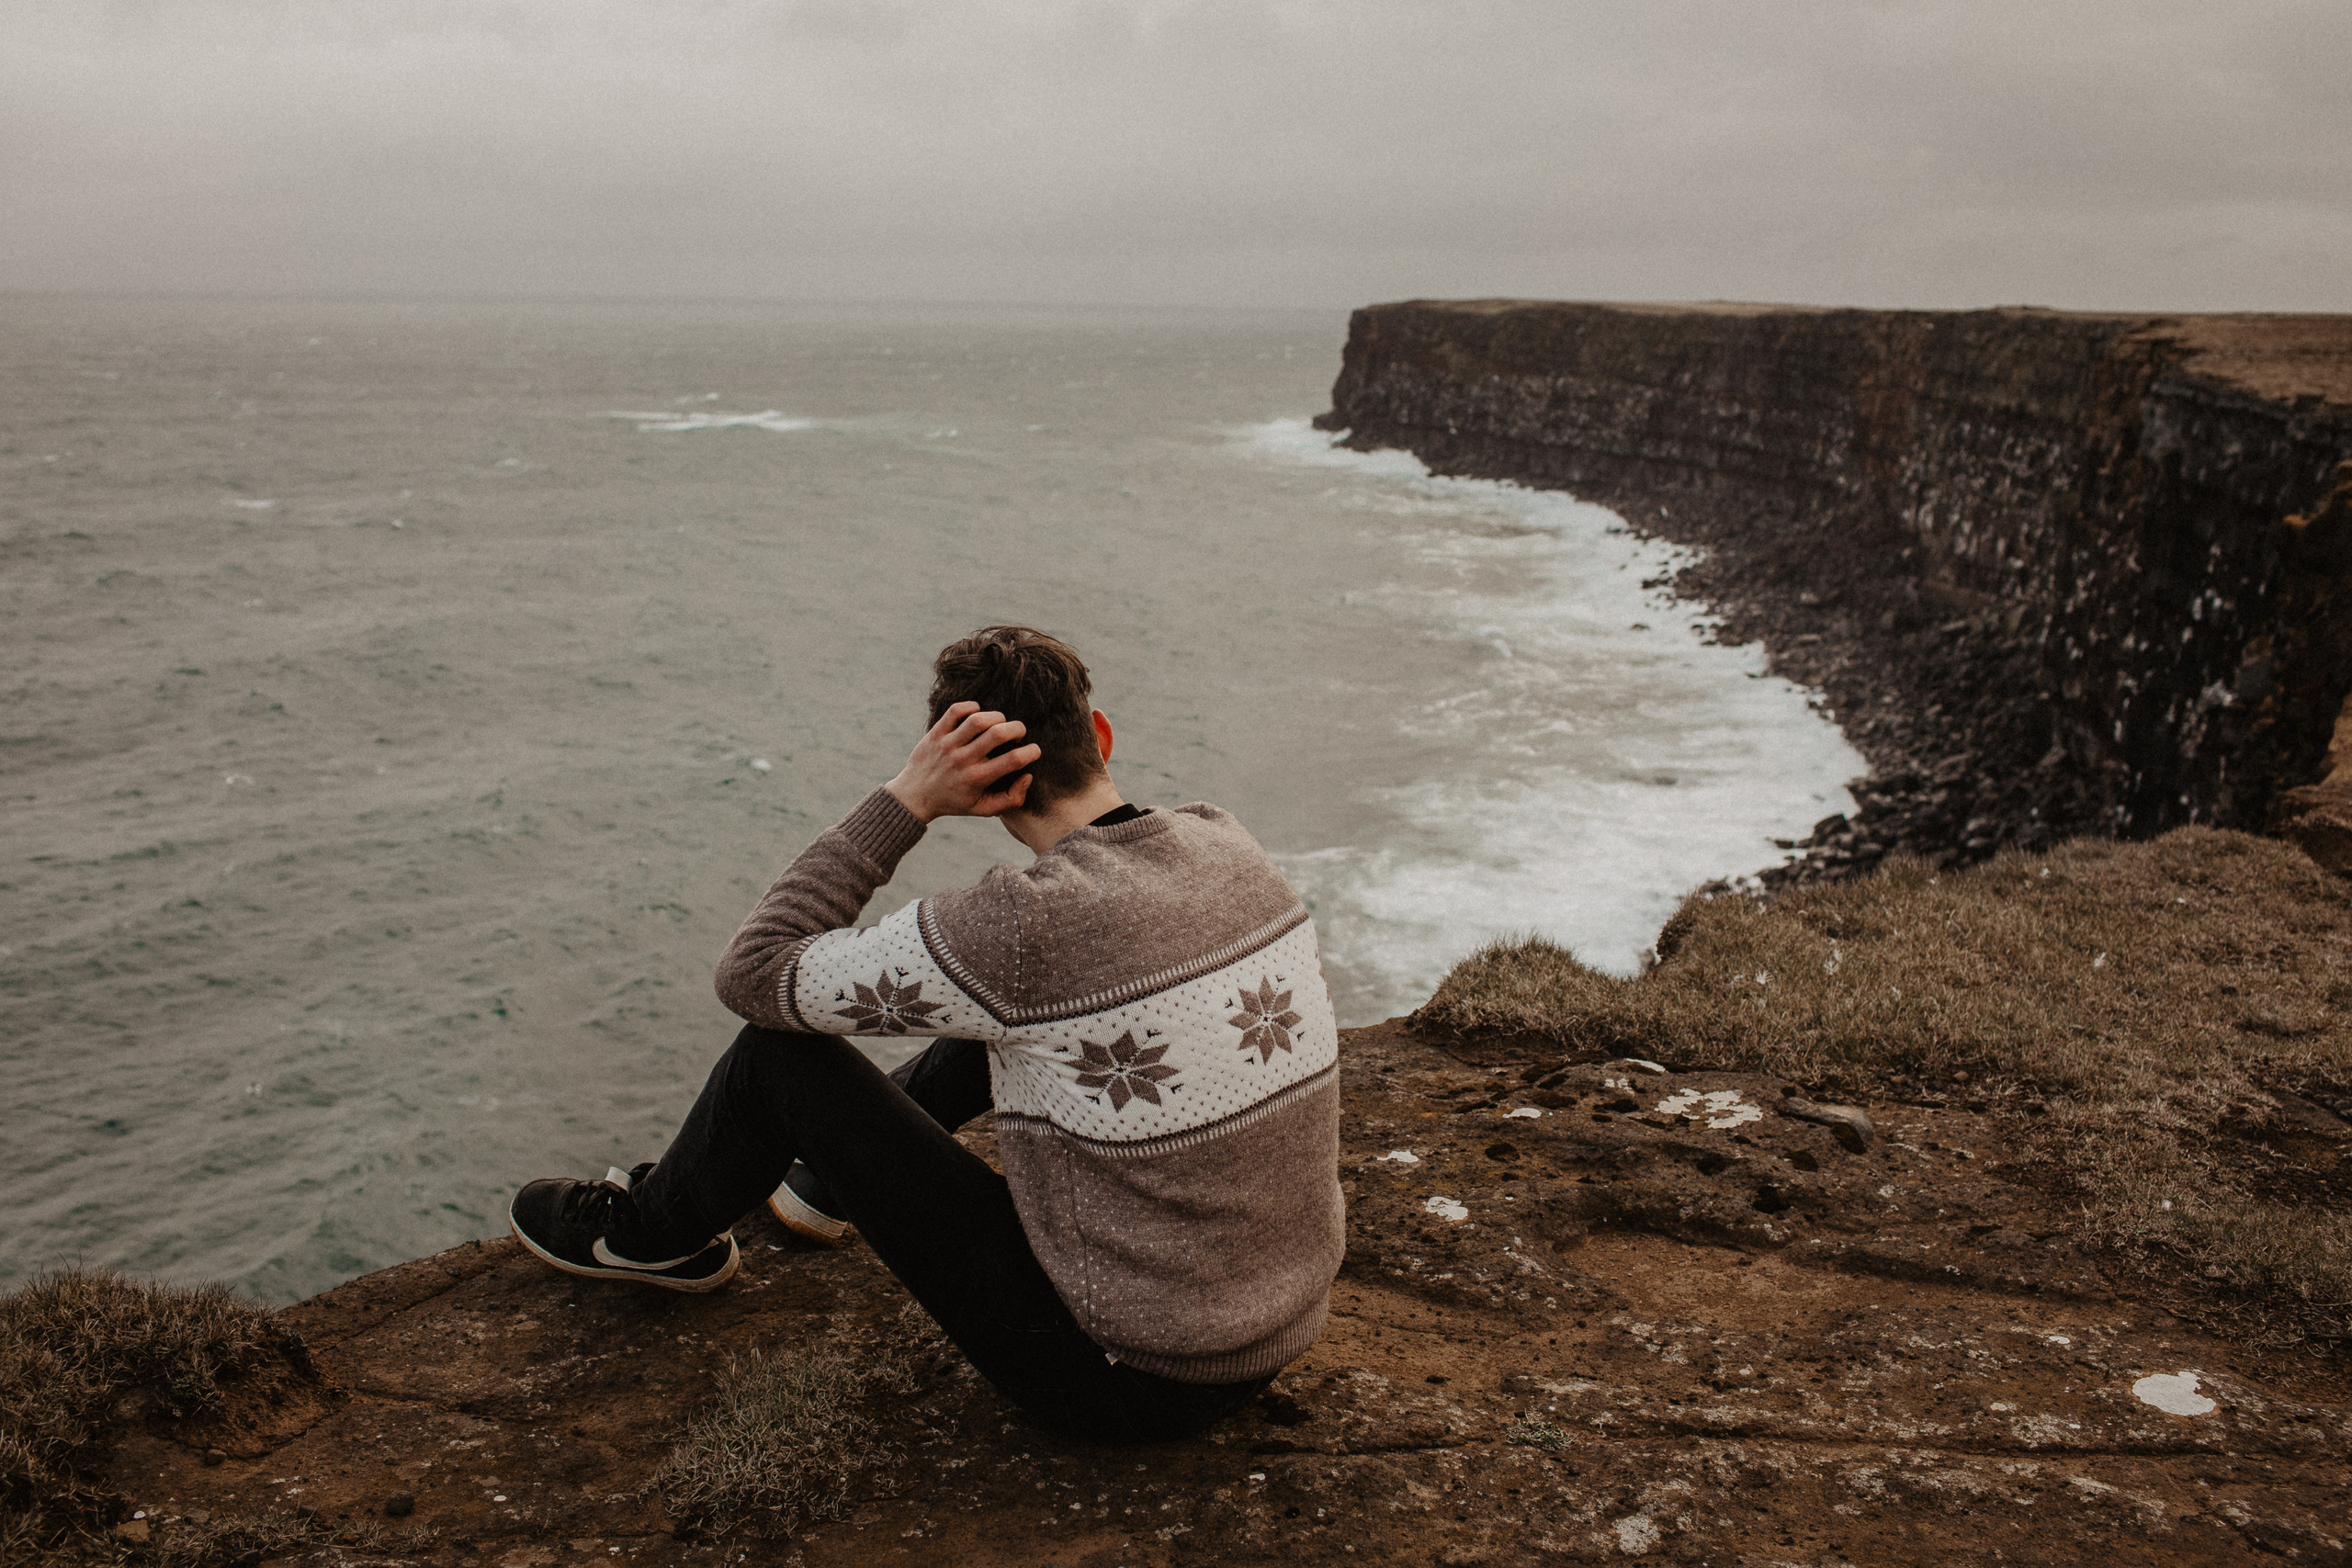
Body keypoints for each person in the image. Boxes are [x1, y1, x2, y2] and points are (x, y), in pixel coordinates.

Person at [508, 626, 1344, 1442]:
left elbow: (753, 971)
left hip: (1119, 1376)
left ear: (978, 778)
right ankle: (819, 1188)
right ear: (1099, 735)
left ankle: (644, 1239)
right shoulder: (1222, 838)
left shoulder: (1024, 924)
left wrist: (905, 801)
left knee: (782, 1057)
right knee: (1018, 1011)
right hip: (1276, 1327)